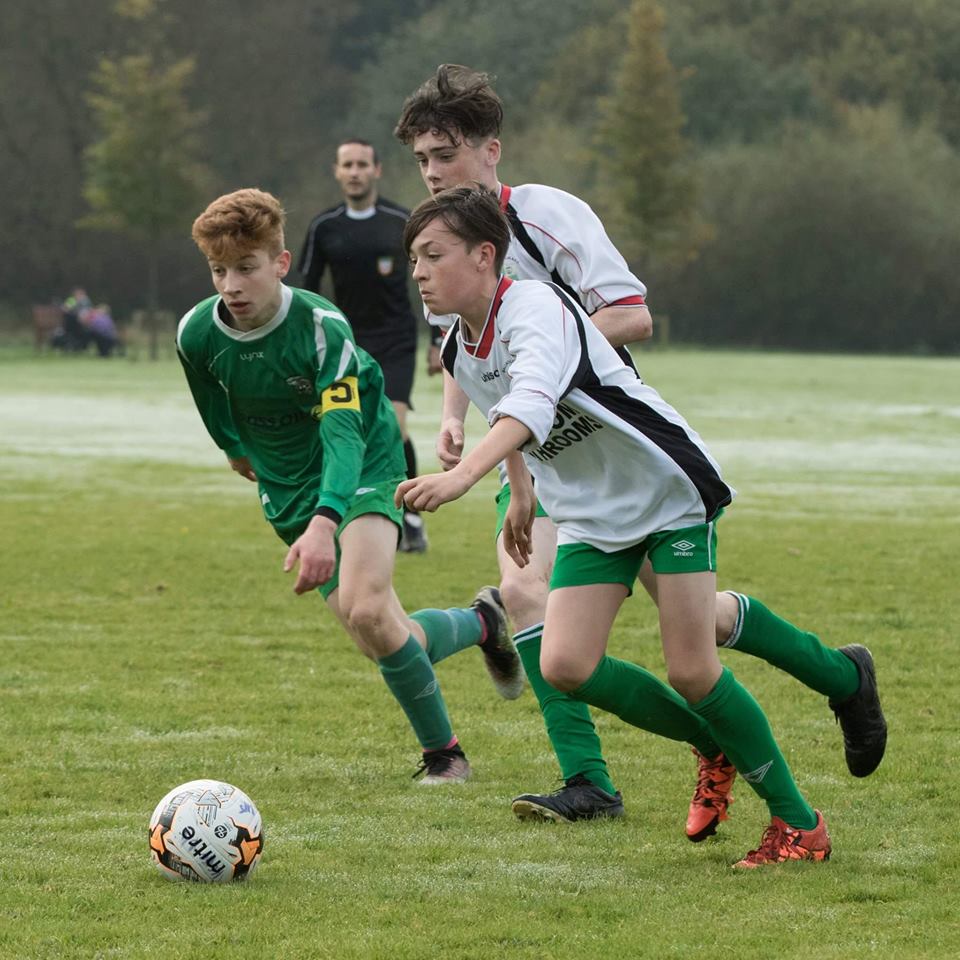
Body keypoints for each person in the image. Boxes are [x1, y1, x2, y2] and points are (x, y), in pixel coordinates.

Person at [394, 65, 886, 831]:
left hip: (619, 447)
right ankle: (590, 780)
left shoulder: (545, 219)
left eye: (446, 155)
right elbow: (485, 367)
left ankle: (839, 677)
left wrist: (559, 352)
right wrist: (489, 450)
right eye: (423, 159)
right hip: (547, 459)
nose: (432, 172)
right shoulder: (443, 258)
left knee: (698, 637)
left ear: (492, 150)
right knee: (532, 603)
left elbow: (630, 317)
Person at [177, 187, 524, 786]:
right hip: (288, 484)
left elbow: (341, 435)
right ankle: (482, 623)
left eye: (246, 268)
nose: (231, 286)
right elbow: (212, 405)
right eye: (218, 270)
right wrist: (236, 450)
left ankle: (445, 757)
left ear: (281, 263)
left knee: (366, 608)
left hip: (363, 460)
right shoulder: (196, 333)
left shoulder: (321, 327)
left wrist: (324, 521)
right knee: (380, 633)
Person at [298, 139, 430, 553]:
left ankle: (410, 515)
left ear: (377, 170)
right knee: (348, 428)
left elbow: (430, 278)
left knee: (394, 425)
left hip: (396, 339)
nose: (354, 172)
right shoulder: (324, 227)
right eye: (347, 165)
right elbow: (306, 290)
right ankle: (352, 512)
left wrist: (438, 339)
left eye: (361, 164)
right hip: (347, 344)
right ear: (337, 172)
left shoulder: (401, 221)